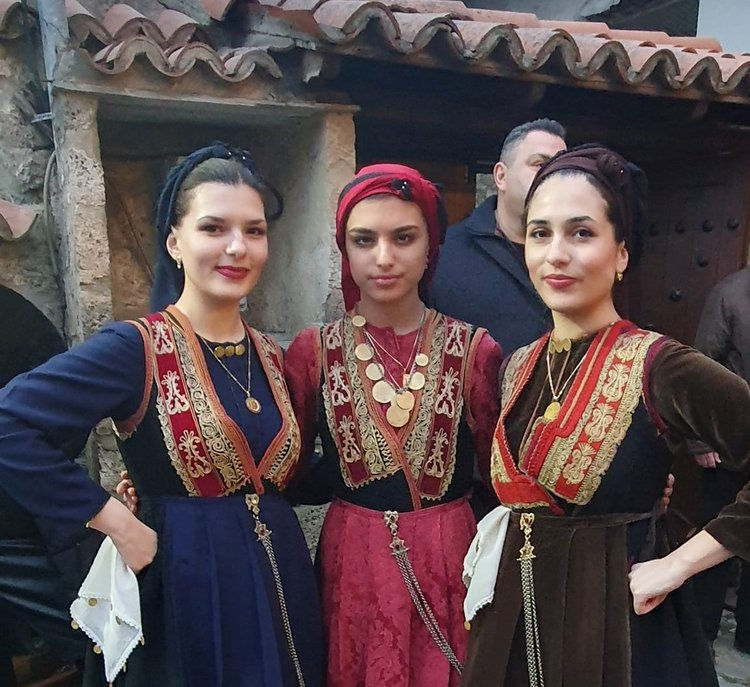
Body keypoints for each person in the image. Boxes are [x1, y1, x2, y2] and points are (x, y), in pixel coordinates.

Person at [0, 143, 323, 687]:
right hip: (183, 583)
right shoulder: (135, 349)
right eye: (213, 228)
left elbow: (286, 478)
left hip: (278, 586)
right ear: (175, 242)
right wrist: (115, 519)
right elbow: (10, 426)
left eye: (254, 230)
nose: (237, 247)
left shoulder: (271, 356)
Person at [461, 144, 750, 687]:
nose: (556, 254)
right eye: (540, 233)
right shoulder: (519, 363)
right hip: (514, 625)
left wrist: (679, 564)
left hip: (613, 630)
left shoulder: (661, 365)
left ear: (620, 253)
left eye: (581, 233)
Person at [284, 164, 502, 687]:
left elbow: (502, 476)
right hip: (353, 562)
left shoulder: (475, 349)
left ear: (430, 247)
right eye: (364, 240)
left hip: (449, 557)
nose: (383, 257)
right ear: (345, 250)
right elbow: (284, 471)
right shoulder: (314, 351)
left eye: (404, 238)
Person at [630, 266, 750, 647]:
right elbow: (706, 360)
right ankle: (702, 632)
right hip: (728, 446)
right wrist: (700, 443)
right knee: (716, 534)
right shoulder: (731, 293)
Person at [0, 284, 91, 686]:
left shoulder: (13, 318)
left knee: (97, 639)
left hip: (22, 516)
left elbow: (68, 422)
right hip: (27, 511)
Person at [429, 119, 566, 352]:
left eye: (562, 168)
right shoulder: (444, 255)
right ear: (501, 176)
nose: (553, 175)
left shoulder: (575, 254)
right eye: (540, 164)